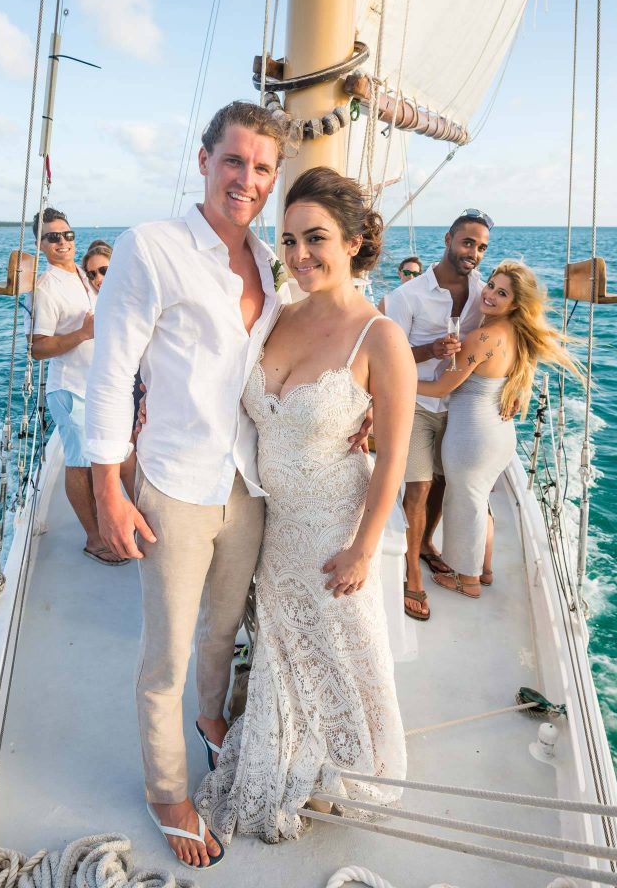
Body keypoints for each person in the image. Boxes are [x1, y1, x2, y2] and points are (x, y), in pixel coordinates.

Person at [84, 103, 371, 869]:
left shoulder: (270, 268)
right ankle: (167, 791)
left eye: (262, 168)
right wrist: (108, 488)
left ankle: (213, 723)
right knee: (167, 654)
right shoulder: (154, 247)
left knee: (221, 632)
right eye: (234, 161)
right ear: (206, 160)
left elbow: (297, 359)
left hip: (245, 485)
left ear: (274, 179)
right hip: (175, 484)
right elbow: (112, 371)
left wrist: (357, 406)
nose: (246, 179)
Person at [194, 166, 415, 845]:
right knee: (282, 652)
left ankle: (345, 766)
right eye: (287, 241)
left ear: (354, 241)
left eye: (315, 238)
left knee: (340, 653)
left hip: (331, 527)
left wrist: (363, 545)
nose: (298, 256)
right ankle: (289, 748)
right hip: (271, 521)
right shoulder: (276, 316)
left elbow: (395, 459)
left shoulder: (380, 337)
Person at [417, 259, 583, 597]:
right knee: (478, 502)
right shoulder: (518, 335)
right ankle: (484, 569)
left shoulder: (484, 337)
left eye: (501, 292)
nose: (490, 294)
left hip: (471, 437)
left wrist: (397, 379)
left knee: (465, 504)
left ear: (515, 303)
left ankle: (468, 580)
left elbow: (439, 388)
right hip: (498, 435)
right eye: (491, 285)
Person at [385, 209, 493, 621]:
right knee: (418, 487)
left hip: (460, 406)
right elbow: (388, 356)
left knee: (446, 485)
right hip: (415, 404)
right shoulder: (406, 296)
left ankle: (427, 544)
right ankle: (411, 572)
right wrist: (429, 351)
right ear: (449, 238)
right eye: (468, 243)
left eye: (482, 247)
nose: (474, 253)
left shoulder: (484, 292)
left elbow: (504, 337)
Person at [26, 208, 128, 567]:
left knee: (105, 457)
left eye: (67, 234)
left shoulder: (83, 276)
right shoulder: (47, 287)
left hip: (97, 387)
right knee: (79, 463)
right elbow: (38, 347)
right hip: (70, 391)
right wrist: (83, 333)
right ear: (40, 244)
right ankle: (94, 538)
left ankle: (111, 522)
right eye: (53, 237)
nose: (62, 242)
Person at [81, 239, 137, 501]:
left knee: (137, 453)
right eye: (91, 274)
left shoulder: (134, 297)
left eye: (103, 270)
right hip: (120, 385)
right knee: (127, 457)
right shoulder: (99, 306)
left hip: (139, 381)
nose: (97, 279)